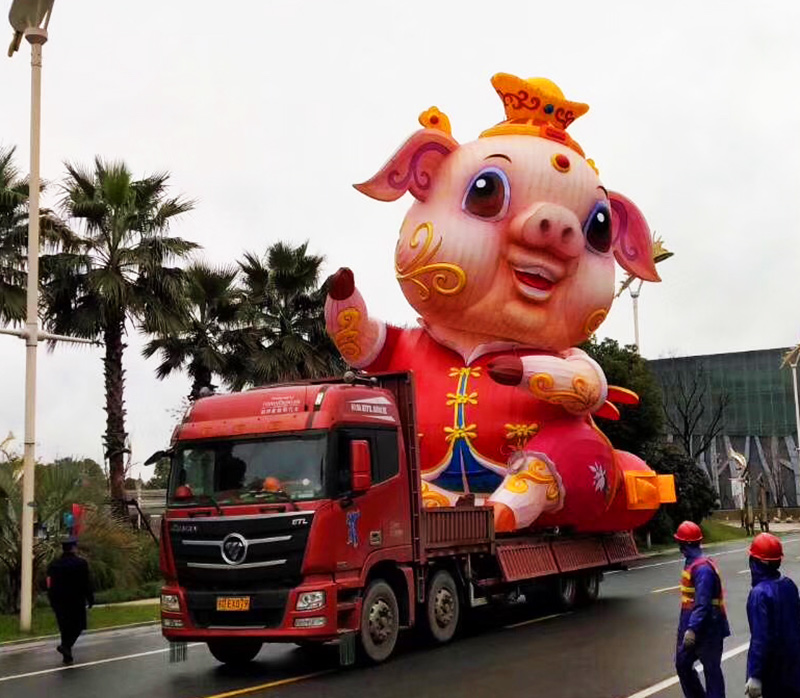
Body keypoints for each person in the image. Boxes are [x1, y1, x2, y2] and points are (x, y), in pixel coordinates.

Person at [673, 521, 730, 698]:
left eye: (680, 542)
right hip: (695, 625)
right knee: (682, 664)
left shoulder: (702, 569)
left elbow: (703, 603)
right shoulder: (692, 564)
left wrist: (692, 629)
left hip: (708, 628)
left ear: (685, 544)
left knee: (711, 670)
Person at [744, 533, 800, 698]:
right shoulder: (789, 584)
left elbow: (760, 639)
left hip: (773, 669)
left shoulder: (759, 594)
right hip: (794, 665)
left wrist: (754, 674)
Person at [46, 536, 94, 665]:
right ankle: (66, 647)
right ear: (74, 548)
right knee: (78, 626)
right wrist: (90, 598)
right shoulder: (80, 563)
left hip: (59, 600)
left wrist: (51, 598)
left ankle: (67, 654)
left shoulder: (54, 564)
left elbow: (49, 583)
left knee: (64, 626)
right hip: (75, 600)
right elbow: (86, 583)